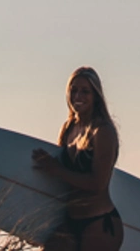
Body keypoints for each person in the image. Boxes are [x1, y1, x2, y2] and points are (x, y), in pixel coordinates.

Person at [30, 67, 122, 251]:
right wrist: (38, 227)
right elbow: (59, 184)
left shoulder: (102, 131)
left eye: (85, 91)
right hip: (69, 220)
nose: (78, 95)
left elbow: (98, 183)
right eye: (74, 90)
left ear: (96, 96)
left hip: (99, 223)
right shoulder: (68, 128)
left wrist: (57, 170)